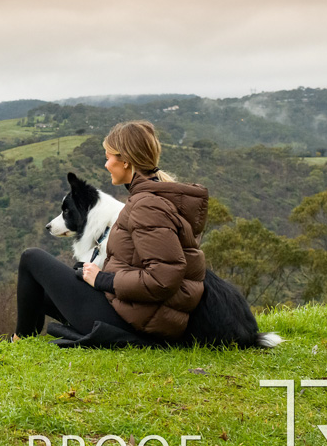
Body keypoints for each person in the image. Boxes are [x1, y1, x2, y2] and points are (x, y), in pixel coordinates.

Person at [14, 120, 208, 343]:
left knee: (31, 258)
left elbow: (162, 279)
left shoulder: (147, 206)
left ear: (125, 161)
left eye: (108, 157)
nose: (106, 165)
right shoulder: (152, 197)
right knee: (40, 290)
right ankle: (26, 340)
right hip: (136, 313)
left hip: (132, 322)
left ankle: (19, 339)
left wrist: (101, 279)